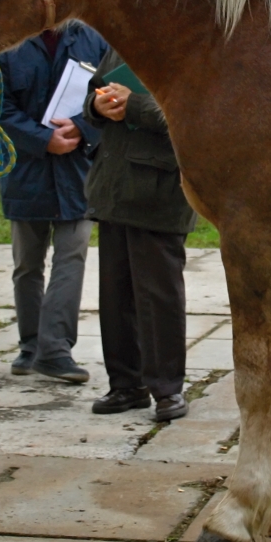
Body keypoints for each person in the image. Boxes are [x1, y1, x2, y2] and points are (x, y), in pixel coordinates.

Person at [83, 50, 197, 421]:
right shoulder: (117, 44)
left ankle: (167, 390)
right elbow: (91, 96)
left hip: (158, 191)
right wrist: (98, 106)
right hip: (115, 186)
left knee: (157, 297)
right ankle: (125, 386)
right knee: (115, 296)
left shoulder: (187, 45)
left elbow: (193, 113)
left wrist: (133, 106)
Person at [0, 22, 109, 382]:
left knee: (71, 258)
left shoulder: (94, 40)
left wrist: (82, 126)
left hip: (78, 172)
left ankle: (56, 349)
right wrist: (42, 139)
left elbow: (111, 95)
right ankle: (31, 345)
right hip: (25, 172)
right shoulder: (7, 41)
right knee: (27, 264)